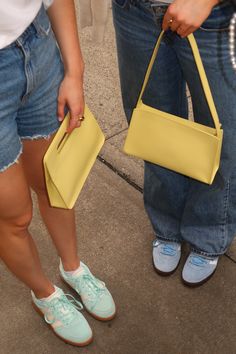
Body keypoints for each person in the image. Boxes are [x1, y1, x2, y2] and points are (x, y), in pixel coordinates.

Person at [0, 0, 116, 347]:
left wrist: (74, 71)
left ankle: (73, 267)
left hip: (36, 42)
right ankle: (44, 294)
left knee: (55, 182)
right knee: (14, 215)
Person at [112, 0, 236, 286]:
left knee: (224, 133)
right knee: (154, 128)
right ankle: (167, 223)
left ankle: (209, 230)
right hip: (134, 10)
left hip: (215, 16)